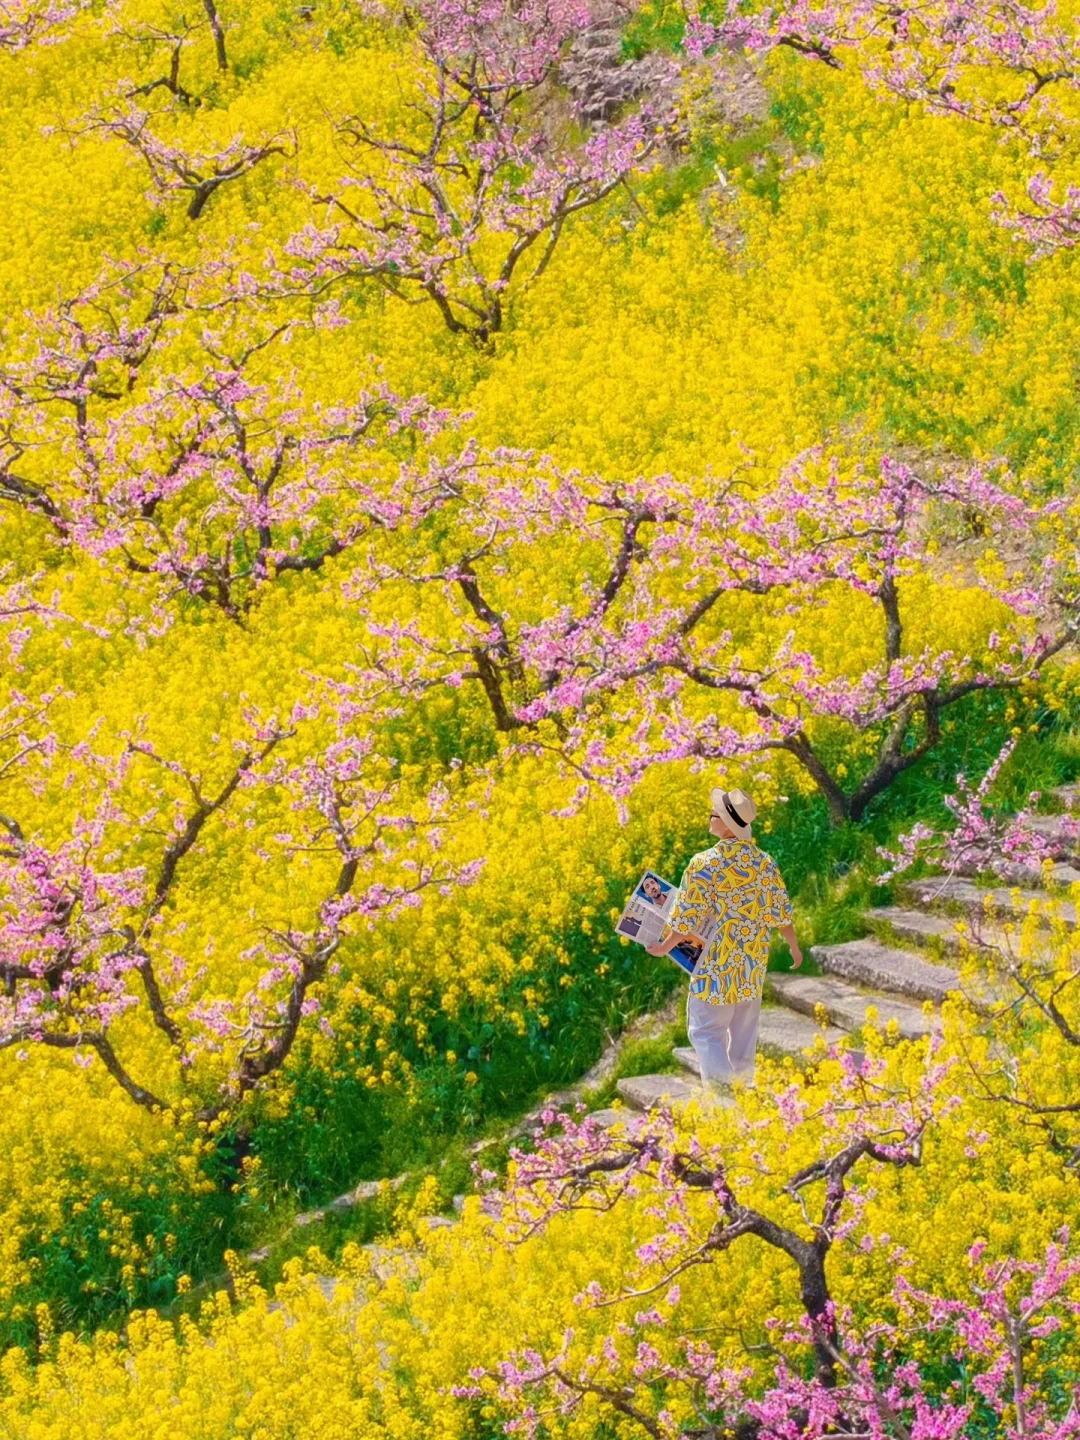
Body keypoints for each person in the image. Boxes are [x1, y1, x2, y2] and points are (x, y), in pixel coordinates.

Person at [646, 786, 801, 1096]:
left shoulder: (705, 863)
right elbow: (780, 909)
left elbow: (687, 917)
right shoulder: (764, 861)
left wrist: (663, 947)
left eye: (714, 814)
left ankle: (727, 1100)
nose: (709, 817)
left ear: (728, 824)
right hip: (752, 964)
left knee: (706, 1032)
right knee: (743, 1036)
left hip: (716, 967)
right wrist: (793, 946)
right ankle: (745, 1095)